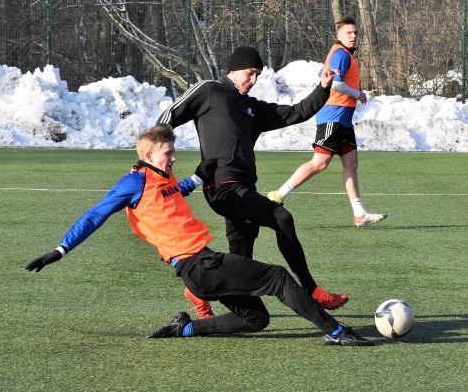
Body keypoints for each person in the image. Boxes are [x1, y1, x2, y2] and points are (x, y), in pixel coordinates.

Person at [25, 126, 373, 346]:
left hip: (199, 269)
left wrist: (197, 176)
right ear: (148, 155)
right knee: (279, 278)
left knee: (256, 320)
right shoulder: (134, 181)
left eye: (173, 152)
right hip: (200, 265)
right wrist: (60, 249)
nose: (173, 157)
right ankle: (336, 331)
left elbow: (177, 191)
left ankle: (185, 329)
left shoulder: (162, 180)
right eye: (168, 153)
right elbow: (94, 215)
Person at [155, 46, 349, 314]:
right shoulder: (210, 90)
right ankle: (312, 290)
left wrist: (323, 87)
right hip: (221, 188)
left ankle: (199, 291)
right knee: (282, 218)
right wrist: (155, 158)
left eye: (257, 74)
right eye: (249, 73)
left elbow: (296, 112)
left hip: (244, 189)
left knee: (241, 258)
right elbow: (168, 118)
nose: (253, 80)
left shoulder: (251, 108)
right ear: (233, 69)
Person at [267, 17, 387, 227]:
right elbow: (336, 85)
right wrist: (358, 94)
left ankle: (359, 214)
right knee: (319, 164)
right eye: (348, 33)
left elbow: (324, 73)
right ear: (339, 36)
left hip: (344, 120)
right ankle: (278, 195)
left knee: (351, 164)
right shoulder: (341, 53)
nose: (353, 36)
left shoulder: (341, 54)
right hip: (333, 117)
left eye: (355, 33)